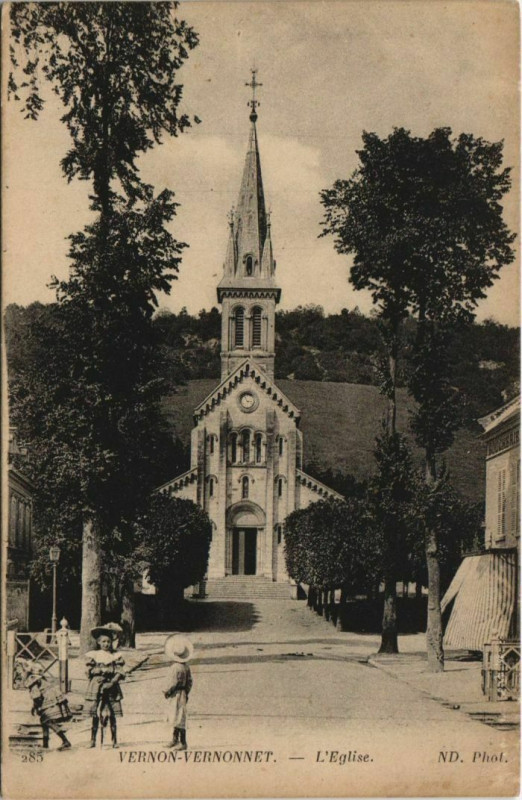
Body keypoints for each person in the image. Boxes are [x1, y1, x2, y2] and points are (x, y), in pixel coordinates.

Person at [84, 623, 125, 749]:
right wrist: (95, 672)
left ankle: (114, 740)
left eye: (108, 642)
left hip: (111, 686)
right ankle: (92, 740)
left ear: (111, 642)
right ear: (99, 642)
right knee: (96, 713)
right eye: (103, 642)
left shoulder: (116, 656)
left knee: (112, 714)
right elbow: (88, 671)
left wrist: (112, 682)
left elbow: (120, 672)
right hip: (96, 687)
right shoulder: (94, 655)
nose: (106, 644)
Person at [19, 660, 72, 750]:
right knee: (44, 721)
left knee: (48, 721)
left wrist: (35, 706)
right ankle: (45, 744)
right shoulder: (38, 678)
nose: (21, 674)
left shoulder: (32, 680)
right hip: (53, 698)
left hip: (50, 700)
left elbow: (37, 696)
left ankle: (65, 741)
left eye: (22, 671)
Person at [163, 634, 193, 750]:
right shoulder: (186, 666)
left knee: (178, 716)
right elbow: (190, 681)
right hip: (183, 694)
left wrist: (167, 691)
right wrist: (186, 692)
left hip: (175, 694)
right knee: (178, 715)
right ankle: (175, 739)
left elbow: (173, 682)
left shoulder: (175, 667)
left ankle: (182, 742)